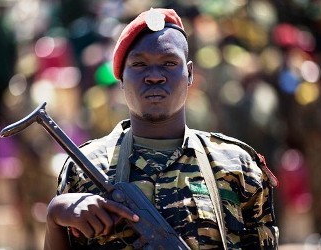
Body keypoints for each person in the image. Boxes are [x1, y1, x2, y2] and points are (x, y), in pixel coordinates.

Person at [44, 8, 279, 249]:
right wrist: (54, 217)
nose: (154, 76)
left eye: (168, 63)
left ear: (189, 73)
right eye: (139, 64)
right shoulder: (86, 168)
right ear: (121, 78)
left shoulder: (238, 165)